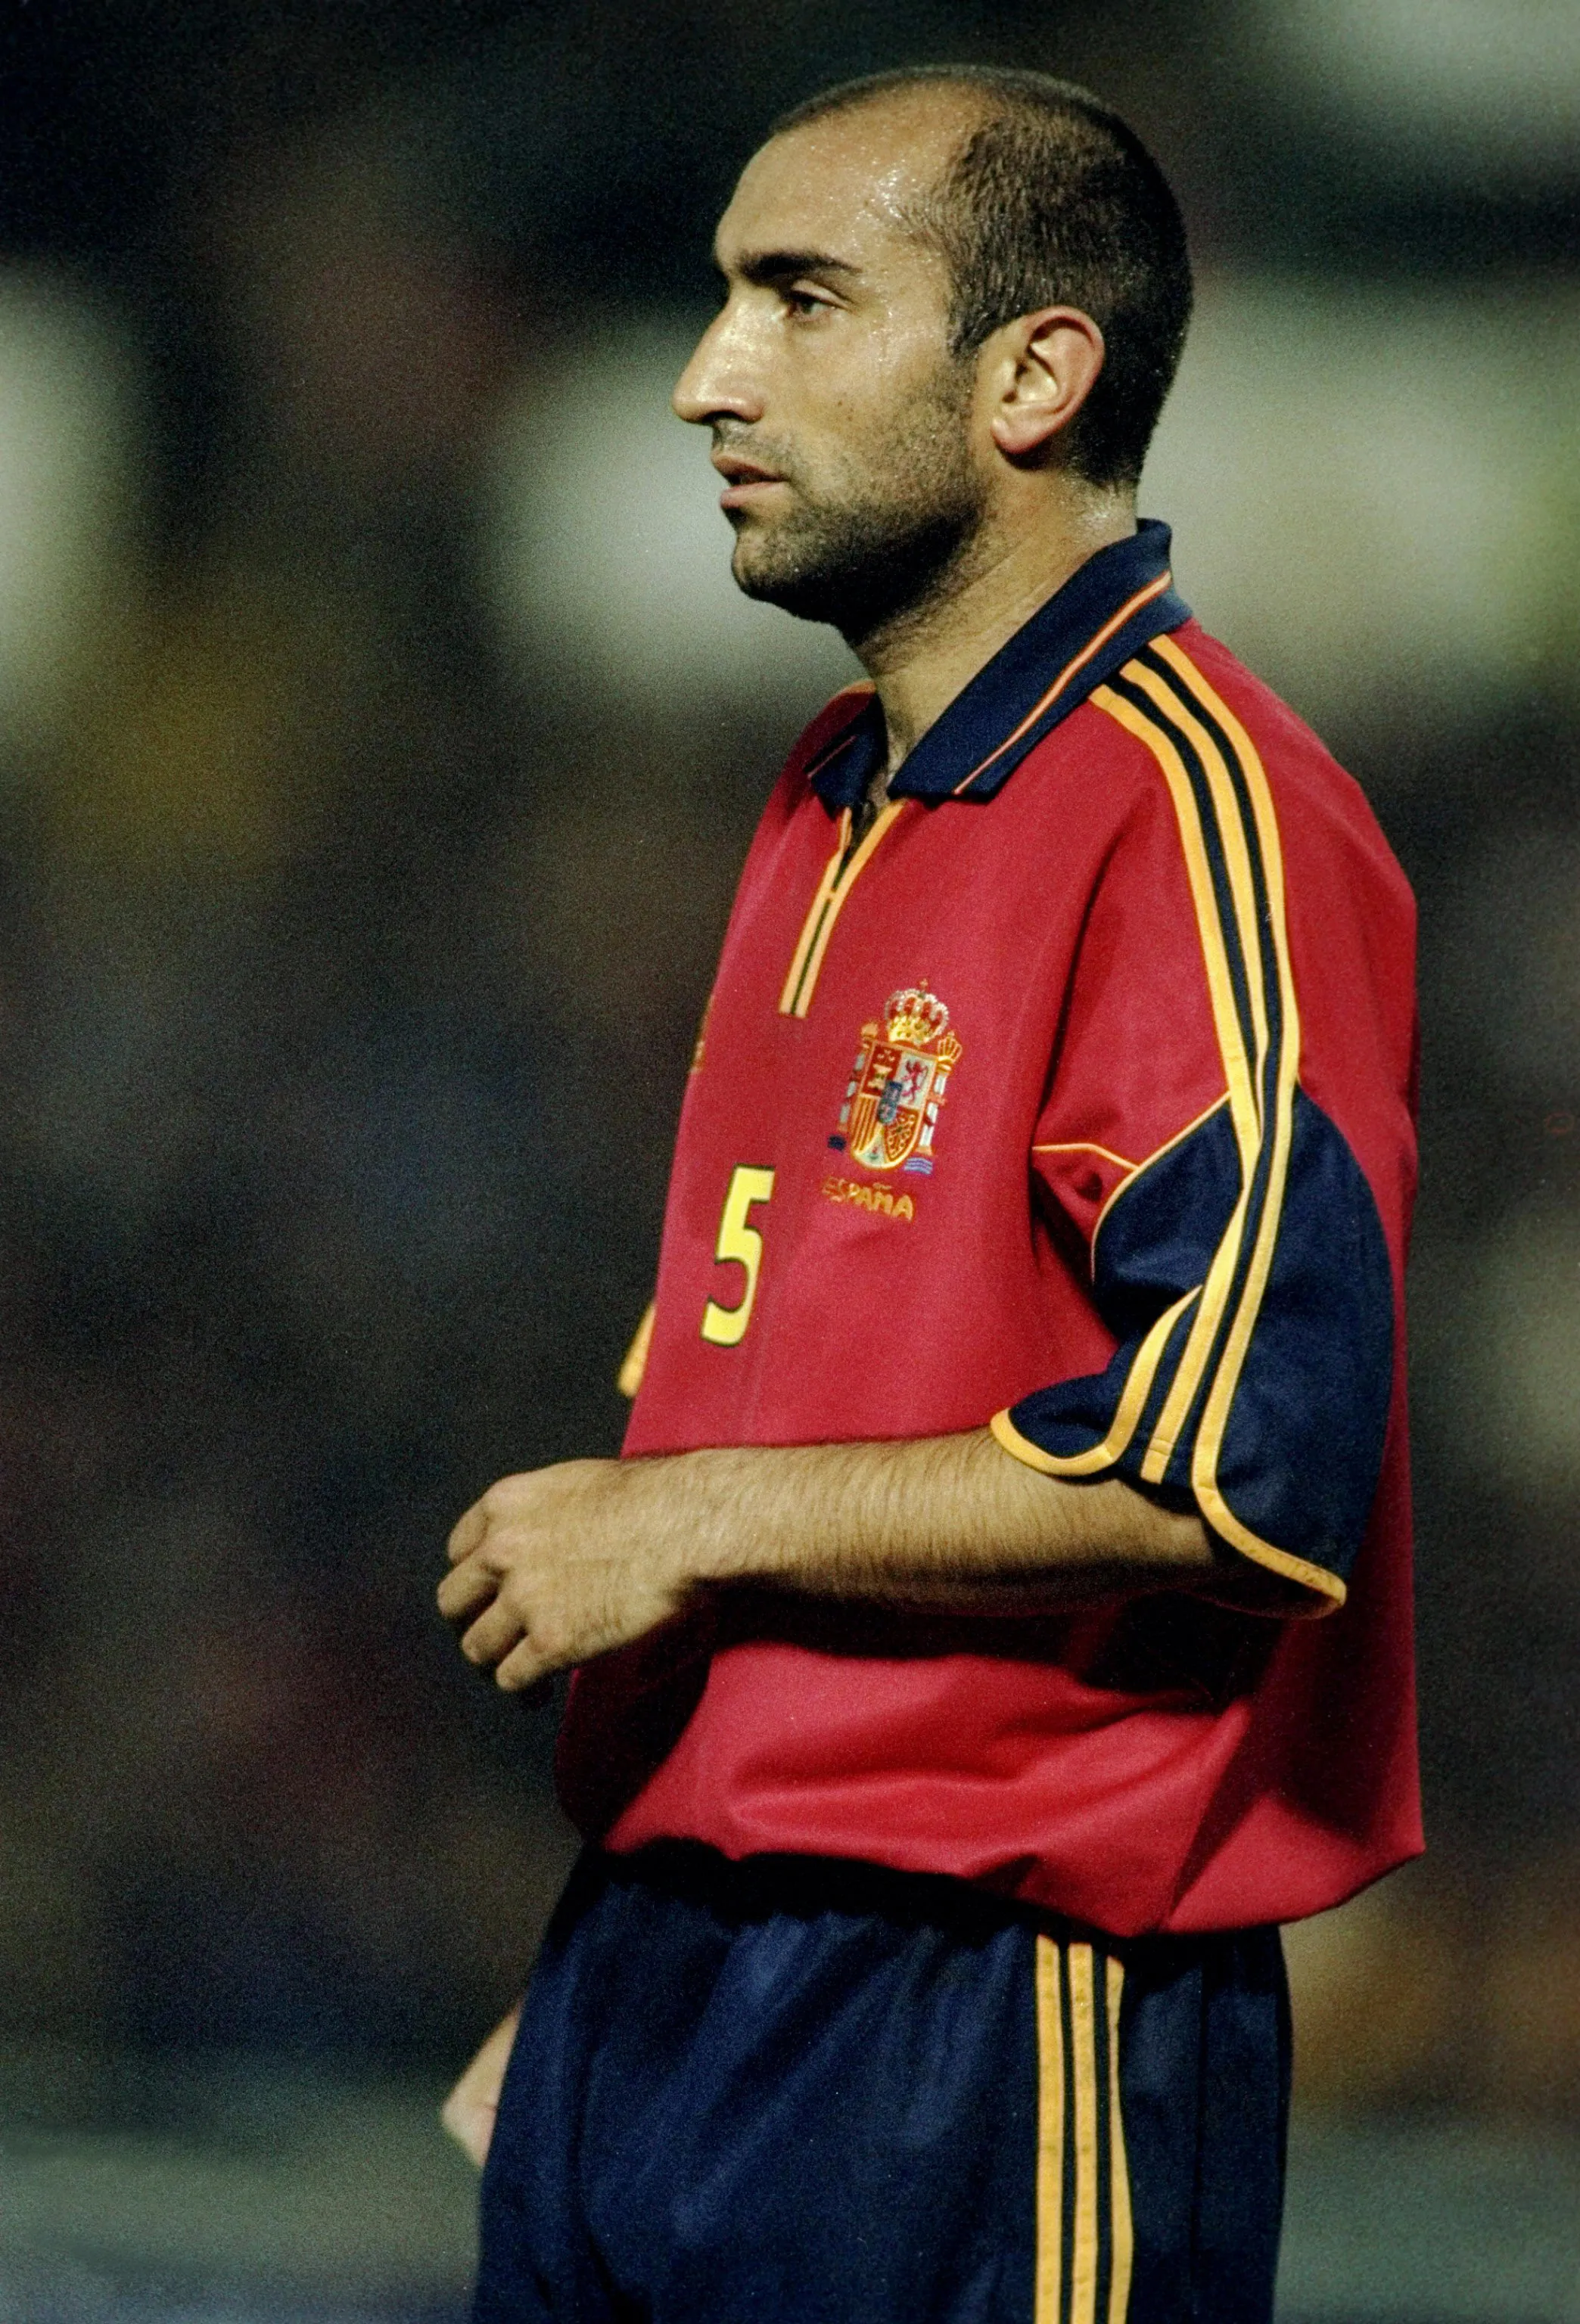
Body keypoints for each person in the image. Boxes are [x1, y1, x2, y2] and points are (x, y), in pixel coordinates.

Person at [438, 64, 1419, 2324]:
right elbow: (805, 1374)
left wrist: (681, 1522)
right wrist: (630, 1941)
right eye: (723, 299)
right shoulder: (831, 789)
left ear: (1034, 376)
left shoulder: (1203, 808)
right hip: (667, 1979)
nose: (706, 378)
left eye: (799, 299)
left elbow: (1243, 1460)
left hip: (990, 2015)